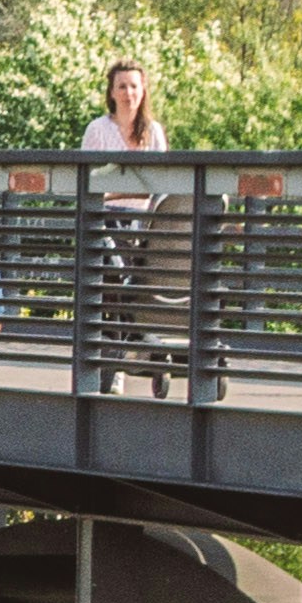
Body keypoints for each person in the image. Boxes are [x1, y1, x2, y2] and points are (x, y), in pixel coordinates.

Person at [78, 56, 175, 389]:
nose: (129, 92)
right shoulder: (98, 130)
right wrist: (124, 190)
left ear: (143, 90)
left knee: (143, 282)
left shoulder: (154, 132)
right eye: (122, 86)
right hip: (108, 220)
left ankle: (133, 349)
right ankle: (118, 358)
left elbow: (160, 184)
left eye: (134, 85)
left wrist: (119, 188)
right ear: (112, 91)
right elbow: (89, 184)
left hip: (146, 221)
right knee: (116, 280)